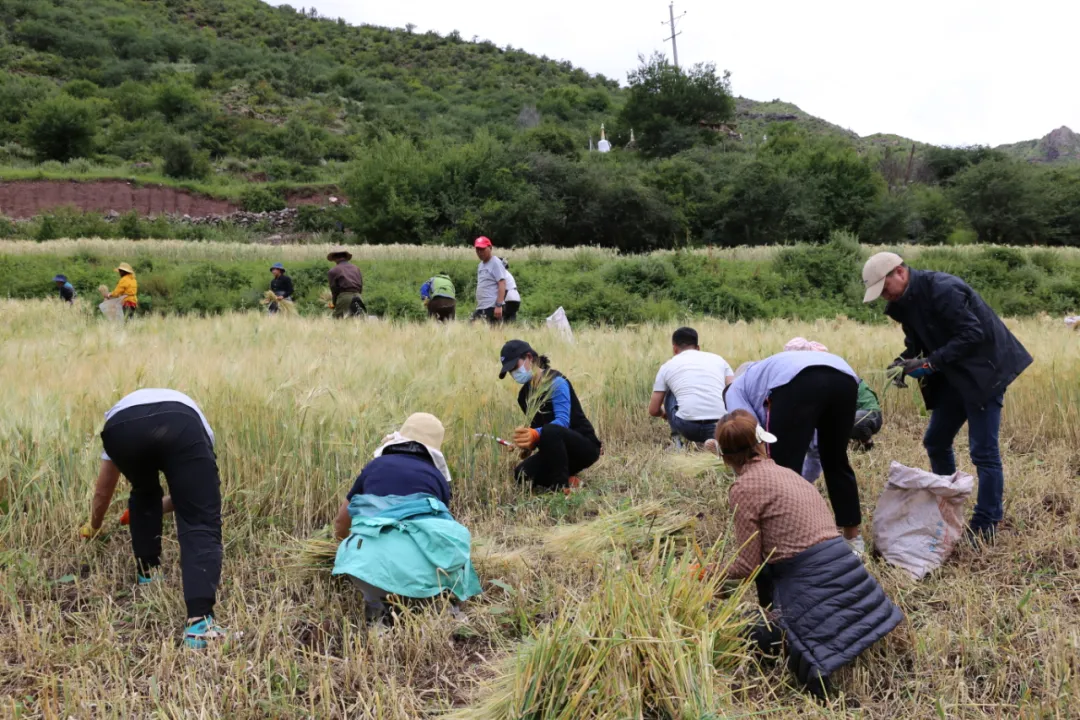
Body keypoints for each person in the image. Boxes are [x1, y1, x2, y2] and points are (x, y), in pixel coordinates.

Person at [715, 410, 903, 700]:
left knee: (745, 632)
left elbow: (748, 564)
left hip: (804, 579)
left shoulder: (743, 488)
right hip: (844, 566)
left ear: (726, 459)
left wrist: (712, 574)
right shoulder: (787, 473)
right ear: (761, 443)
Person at [862, 252, 1032, 542]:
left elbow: (972, 334)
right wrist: (904, 363)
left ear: (899, 272)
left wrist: (930, 364)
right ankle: (949, 504)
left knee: (983, 452)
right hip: (954, 376)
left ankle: (987, 522)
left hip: (984, 372)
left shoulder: (943, 289)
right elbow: (917, 344)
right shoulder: (903, 303)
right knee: (936, 441)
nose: (884, 296)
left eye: (884, 288)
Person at [79, 389, 225, 649]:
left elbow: (103, 490)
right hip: (181, 421)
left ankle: (149, 574)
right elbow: (194, 498)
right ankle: (200, 625)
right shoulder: (202, 430)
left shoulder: (123, 412)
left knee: (144, 491)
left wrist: (94, 526)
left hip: (121, 427)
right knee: (200, 519)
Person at [331, 413, 481, 623]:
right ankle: (439, 606)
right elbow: (439, 532)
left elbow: (341, 521)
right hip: (426, 575)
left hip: (370, 569)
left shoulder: (374, 467)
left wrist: (342, 551)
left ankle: (377, 612)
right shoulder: (438, 478)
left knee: (369, 575)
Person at [724, 349, 865, 553]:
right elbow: (815, 447)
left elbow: (751, 437)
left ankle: (791, 538)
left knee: (781, 468)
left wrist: (752, 477)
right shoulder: (763, 376)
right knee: (836, 460)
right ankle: (853, 540)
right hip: (844, 376)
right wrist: (802, 481)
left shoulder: (734, 391)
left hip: (797, 380)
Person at [499, 340, 602, 492]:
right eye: (510, 371)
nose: (514, 374)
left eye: (515, 366)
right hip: (557, 452)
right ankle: (568, 479)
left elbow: (562, 422)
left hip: (583, 447)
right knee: (521, 474)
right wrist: (527, 444)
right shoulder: (523, 396)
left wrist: (535, 434)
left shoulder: (556, 382)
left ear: (529, 357)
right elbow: (539, 431)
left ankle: (561, 490)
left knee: (551, 430)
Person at [780, 338, 884, 481]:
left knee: (847, 425)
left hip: (869, 413)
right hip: (849, 413)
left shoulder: (830, 374)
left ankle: (865, 441)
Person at [648, 327, 734, 446]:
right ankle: (717, 441)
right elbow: (733, 392)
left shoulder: (667, 366)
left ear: (675, 349)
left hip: (687, 428)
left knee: (671, 390)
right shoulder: (719, 360)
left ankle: (678, 442)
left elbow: (653, 410)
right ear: (698, 348)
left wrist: (665, 412)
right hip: (721, 426)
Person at [472, 237, 520, 323]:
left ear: (490, 248)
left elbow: (502, 283)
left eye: (482, 249)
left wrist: (498, 305)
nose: (479, 252)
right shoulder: (480, 265)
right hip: (483, 306)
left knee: (496, 329)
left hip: (493, 306)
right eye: (477, 249)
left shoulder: (495, 262)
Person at [327, 247, 364, 318]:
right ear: (346, 257)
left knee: (337, 320)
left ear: (335, 258)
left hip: (344, 297)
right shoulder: (356, 268)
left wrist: (334, 304)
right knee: (359, 319)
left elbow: (334, 290)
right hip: (358, 296)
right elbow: (361, 287)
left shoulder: (333, 271)